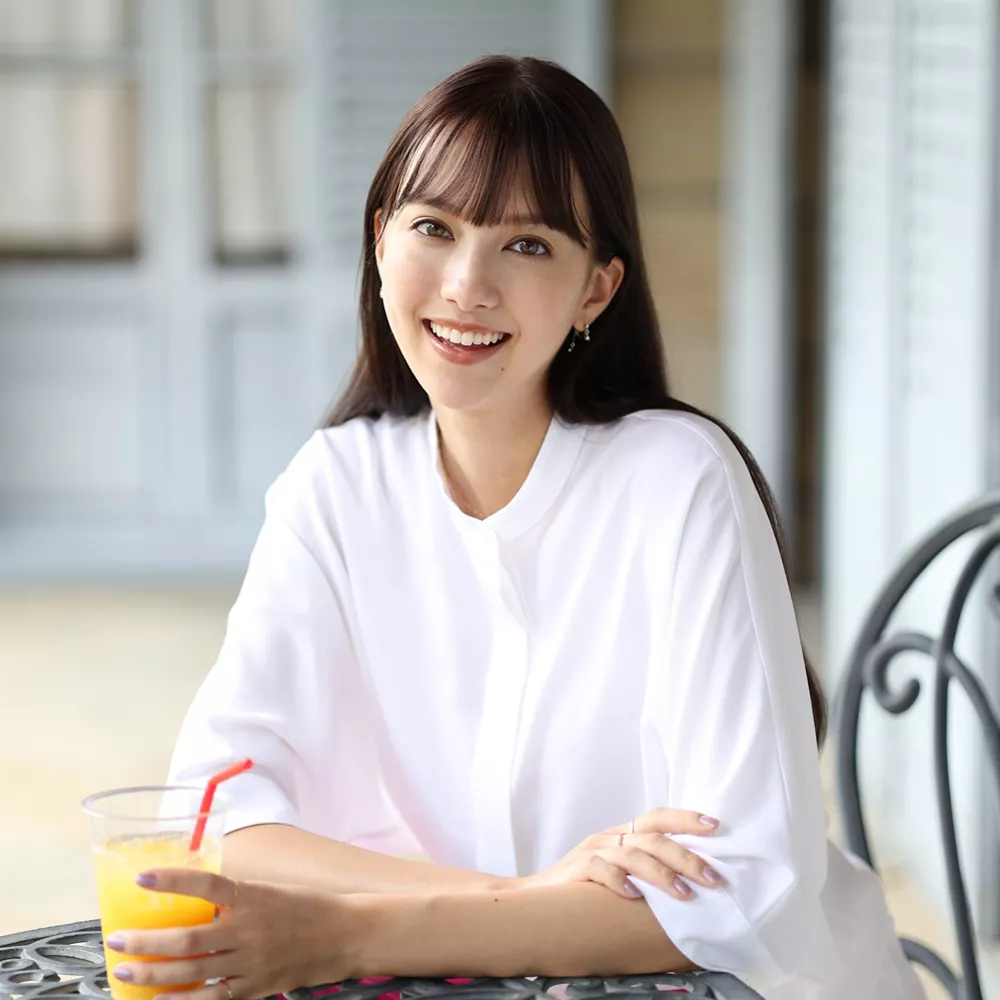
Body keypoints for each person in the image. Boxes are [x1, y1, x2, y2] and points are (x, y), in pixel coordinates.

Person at [104, 56, 923, 1000]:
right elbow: (219, 819)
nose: (466, 284)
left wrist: (354, 934)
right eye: (433, 228)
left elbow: (746, 896)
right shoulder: (335, 487)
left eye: (527, 245)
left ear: (596, 290)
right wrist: (522, 904)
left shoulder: (680, 479)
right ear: (380, 244)